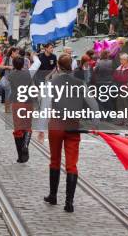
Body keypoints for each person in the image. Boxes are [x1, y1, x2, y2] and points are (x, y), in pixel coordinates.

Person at [41, 54, 98, 212]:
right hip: (73, 126)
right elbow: (93, 104)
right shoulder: (80, 83)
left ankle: (53, 195)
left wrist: (40, 128)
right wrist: (95, 123)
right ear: (72, 67)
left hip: (56, 125)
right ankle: (69, 202)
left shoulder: (51, 83)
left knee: (55, 160)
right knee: (72, 164)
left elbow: (45, 107)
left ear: (58, 67)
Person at [7, 56, 35, 163]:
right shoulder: (28, 74)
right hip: (28, 102)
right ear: (23, 63)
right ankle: (26, 146)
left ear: (13, 64)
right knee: (27, 126)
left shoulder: (11, 75)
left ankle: (20, 155)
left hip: (17, 102)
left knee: (18, 128)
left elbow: (4, 85)